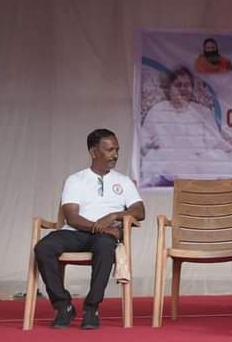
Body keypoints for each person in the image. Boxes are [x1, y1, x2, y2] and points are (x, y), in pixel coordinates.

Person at [34, 129, 145, 329]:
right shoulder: (75, 180)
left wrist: (113, 216)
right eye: (110, 150)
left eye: (117, 150)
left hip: (103, 238)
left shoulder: (124, 181)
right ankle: (63, 306)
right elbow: (72, 217)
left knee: (105, 246)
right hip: (75, 232)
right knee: (43, 247)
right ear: (94, 152)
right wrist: (100, 227)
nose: (115, 155)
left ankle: (91, 308)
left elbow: (140, 211)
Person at [140, 66, 232, 186]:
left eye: (187, 85)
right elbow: (144, 140)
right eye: (178, 85)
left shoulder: (202, 111)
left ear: (192, 88)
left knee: (226, 158)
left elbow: (214, 141)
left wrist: (227, 144)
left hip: (197, 162)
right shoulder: (157, 111)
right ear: (169, 89)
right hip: (168, 163)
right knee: (152, 159)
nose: (183, 89)